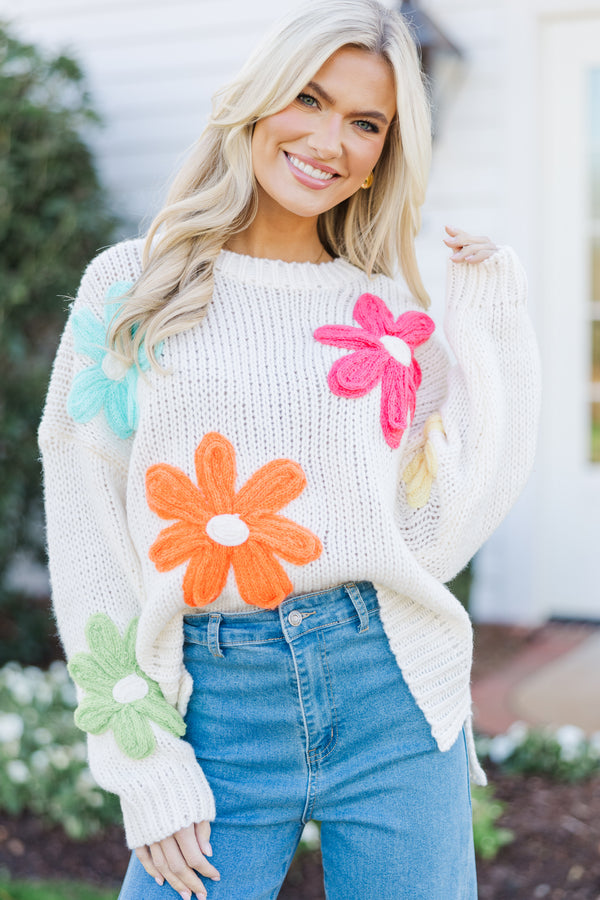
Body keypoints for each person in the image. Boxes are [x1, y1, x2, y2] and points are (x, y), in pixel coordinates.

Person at [38, 1, 541, 897]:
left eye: (365, 123)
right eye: (308, 98)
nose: (328, 139)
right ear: (259, 103)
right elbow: (86, 523)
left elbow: (442, 515)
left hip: (390, 689)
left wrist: (493, 324)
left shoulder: (384, 321)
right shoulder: (133, 289)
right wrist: (141, 757)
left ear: (385, 152)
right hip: (214, 704)